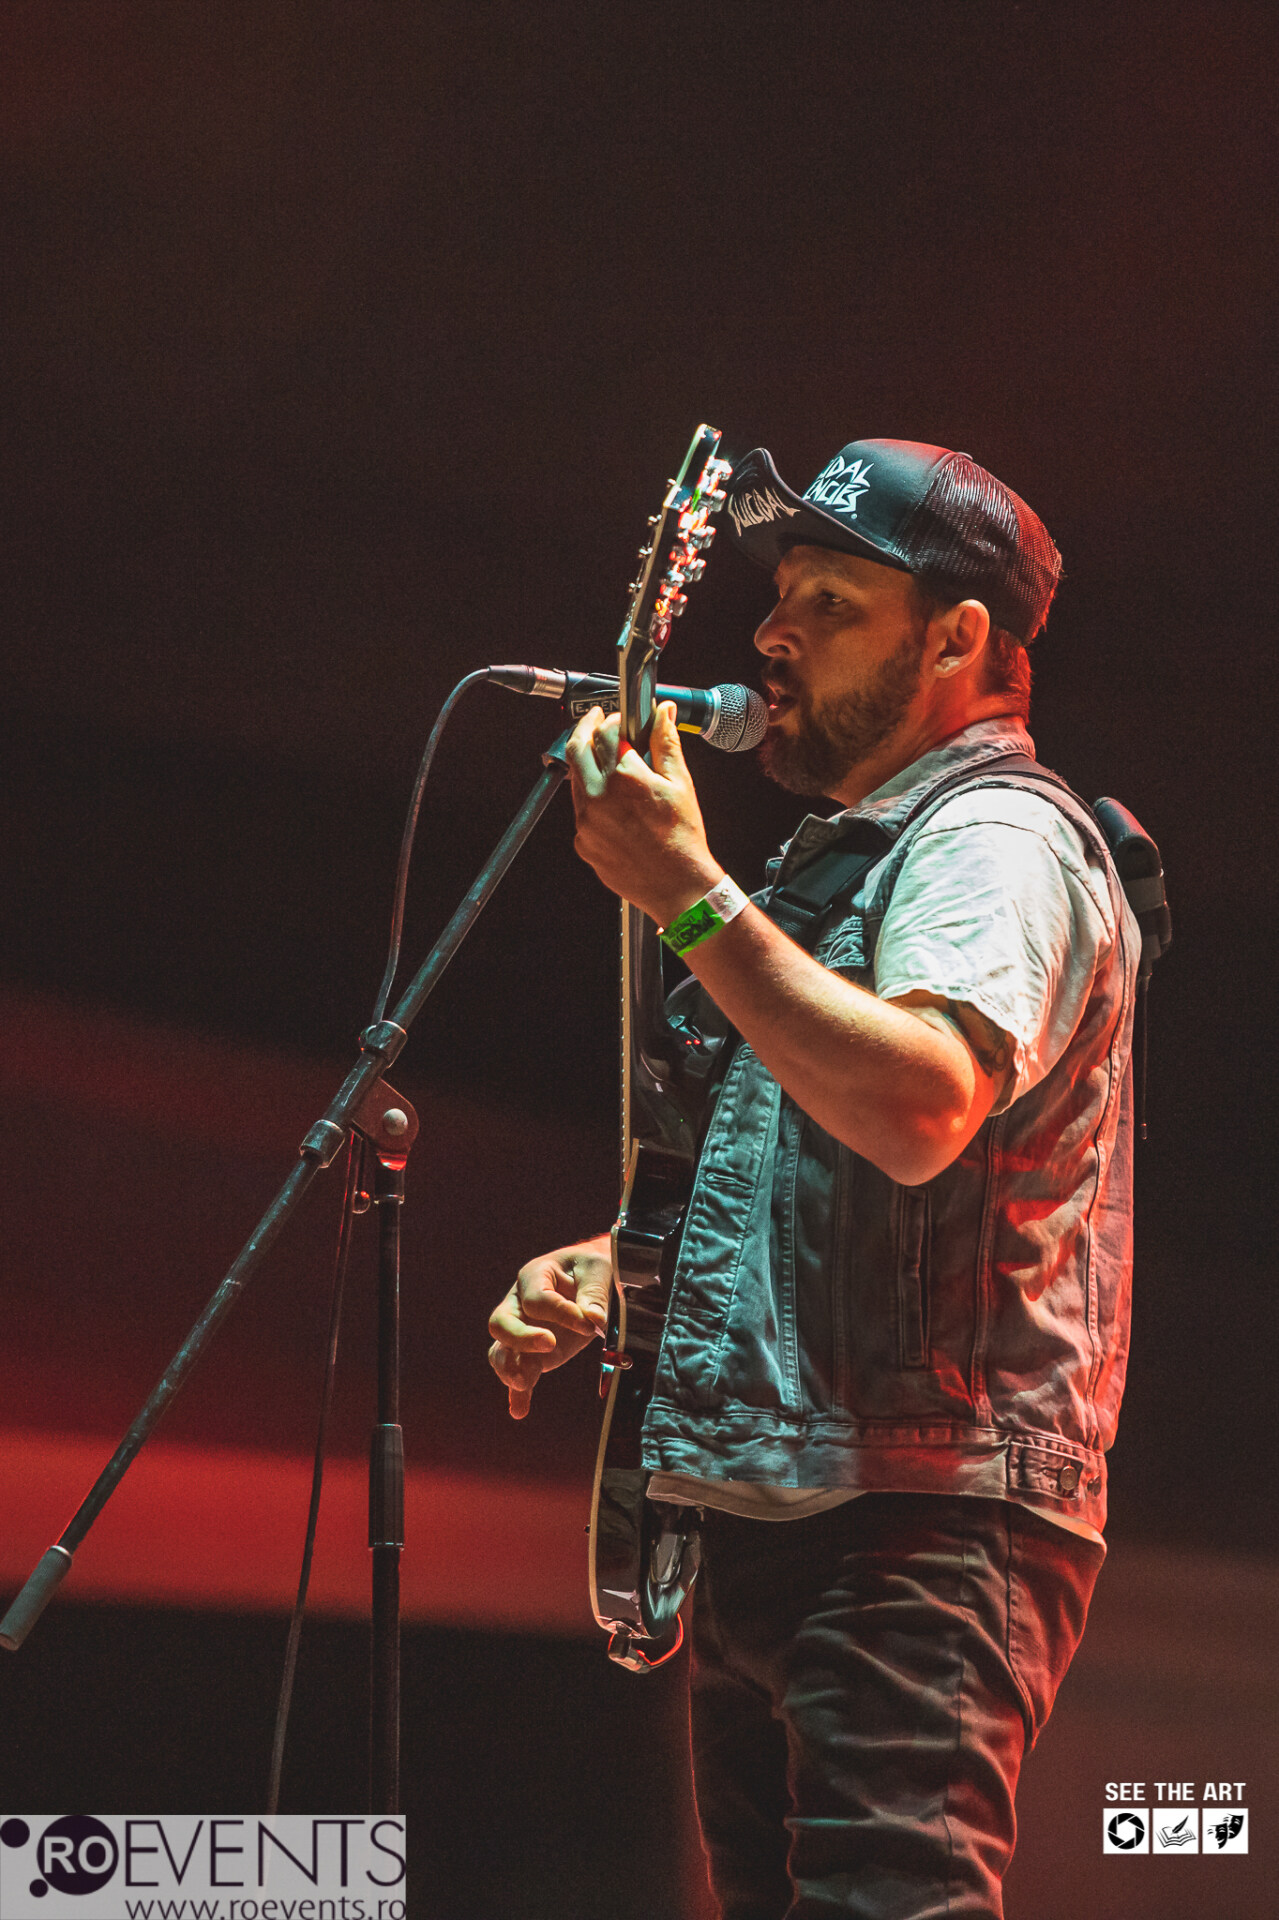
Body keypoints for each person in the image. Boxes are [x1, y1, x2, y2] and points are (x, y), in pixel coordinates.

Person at [487, 437, 1139, 1919]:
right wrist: (625, 1267)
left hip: (914, 1524)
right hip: (793, 1507)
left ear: (956, 639)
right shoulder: (854, 857)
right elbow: (825, 1159)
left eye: (830, 603)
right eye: (779, 595)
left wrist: (687, 892)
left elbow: (918, 1106)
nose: (772, 634)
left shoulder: (993, 836)